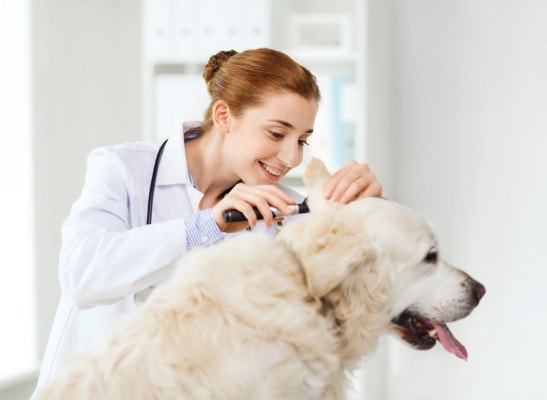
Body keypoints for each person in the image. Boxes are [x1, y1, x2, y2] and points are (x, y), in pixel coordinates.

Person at [32, 48, 382, 395]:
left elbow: (359, 282)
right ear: (224, 116)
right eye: (277, 134)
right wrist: (207, 225)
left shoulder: (282, 211)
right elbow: (82, 276)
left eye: (302, 140)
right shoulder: (122, 169)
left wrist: (369, 208)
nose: (292, 158)